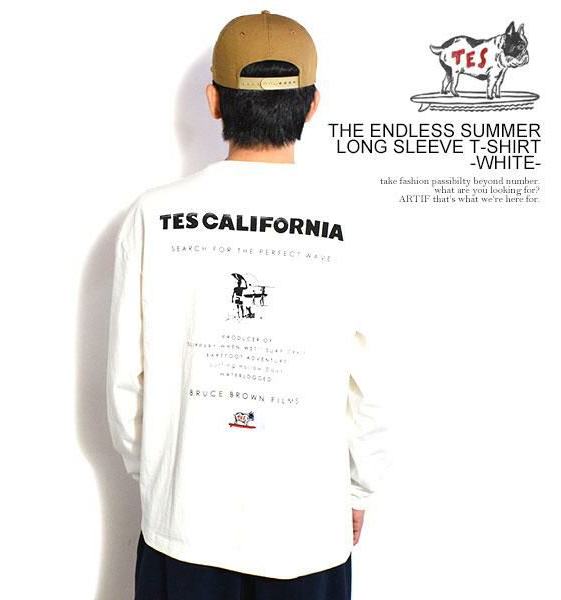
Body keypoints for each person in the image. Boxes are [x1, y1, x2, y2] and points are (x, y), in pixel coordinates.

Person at [106, 10, 391, 600]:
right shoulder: (353, 224)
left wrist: (160, 477)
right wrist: (358, 490)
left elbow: (123, 383)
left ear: (214, 101)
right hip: (306, 532)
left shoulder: (154, 216)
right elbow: (374, 384)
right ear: (312, 105)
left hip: (184, 526)